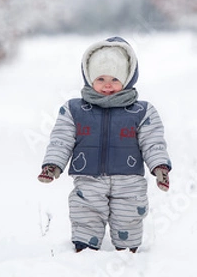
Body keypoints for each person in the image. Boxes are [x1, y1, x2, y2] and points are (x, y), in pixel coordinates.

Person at [37, 36, 172, 253]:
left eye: (115, 79)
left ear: (128, 79)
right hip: (88, 179)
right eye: (100, 78)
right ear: (89, 78)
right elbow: (61, 139)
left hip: (129, 181)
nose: (107, 85)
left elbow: (153, 141)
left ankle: (128, 256)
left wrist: (160, 167)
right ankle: (84, 252)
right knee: (85, 213)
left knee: (129, 217)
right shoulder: (74, 110)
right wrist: (52, 165)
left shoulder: (142, 112)